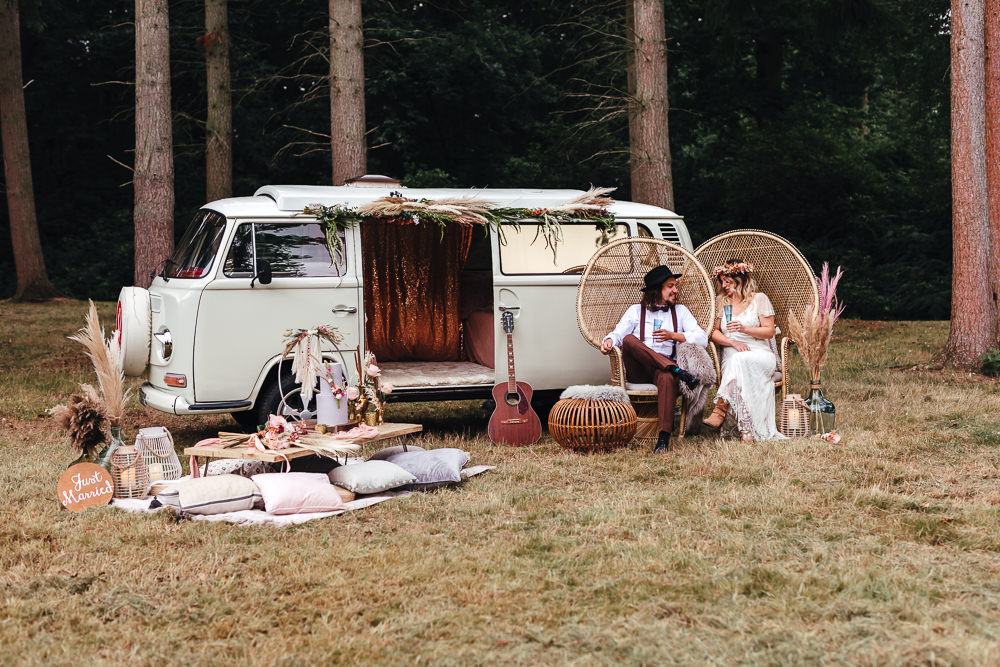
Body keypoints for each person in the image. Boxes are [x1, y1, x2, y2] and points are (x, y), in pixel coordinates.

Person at [600, 265, 708, 453]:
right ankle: (676, 370)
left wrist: (674, 336)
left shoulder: (681, 311)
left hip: (662, 369)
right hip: (639, 369)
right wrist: (608, 341)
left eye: (675, 286)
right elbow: (618, 334)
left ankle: (663, 439)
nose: (676, 290)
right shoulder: (635, 311)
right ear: (657, 289)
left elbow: (702, 338)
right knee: (628, 340)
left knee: (666, 377)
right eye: (670, 286)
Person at [703, 259, 787, 441]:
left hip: (759, 353)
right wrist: (732, 343)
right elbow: (713, 332)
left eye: (728, 281)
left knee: (740, 362)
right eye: (722, 281)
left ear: (740, 279)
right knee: (738, 362)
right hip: (732, 351)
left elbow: (769, 331)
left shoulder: (759, 299)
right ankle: (746, 432)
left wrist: (744, 329)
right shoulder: (721, 301)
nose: (724, 285)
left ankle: (720, 408)